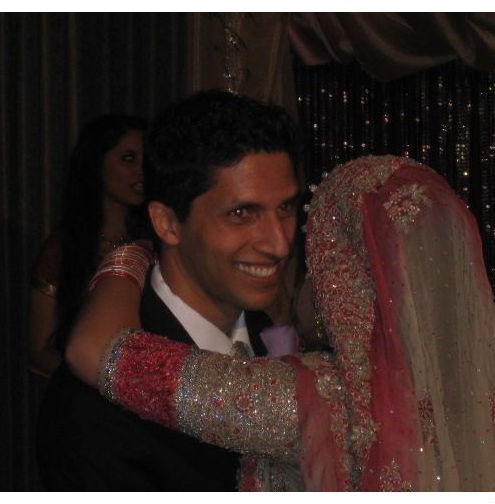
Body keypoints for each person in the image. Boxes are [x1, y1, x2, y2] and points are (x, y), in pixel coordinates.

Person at [67, 154, 495, 491]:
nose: (281, 247)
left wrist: (132, 254)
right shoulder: (476, 406)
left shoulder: (314, 397)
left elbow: (102, 353)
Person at [37, 90, 303, 490]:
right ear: (167, 223)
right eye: (241, 213)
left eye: (285, 208)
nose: (279, 244)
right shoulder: (93, 411)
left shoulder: (275, 342)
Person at [29, 115, 147, 377]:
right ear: (97, 163)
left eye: (146, 160)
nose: (142, 170)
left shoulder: (157, 241)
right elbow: (39, 350)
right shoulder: (66, 248)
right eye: (128, 159)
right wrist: (103, 382)